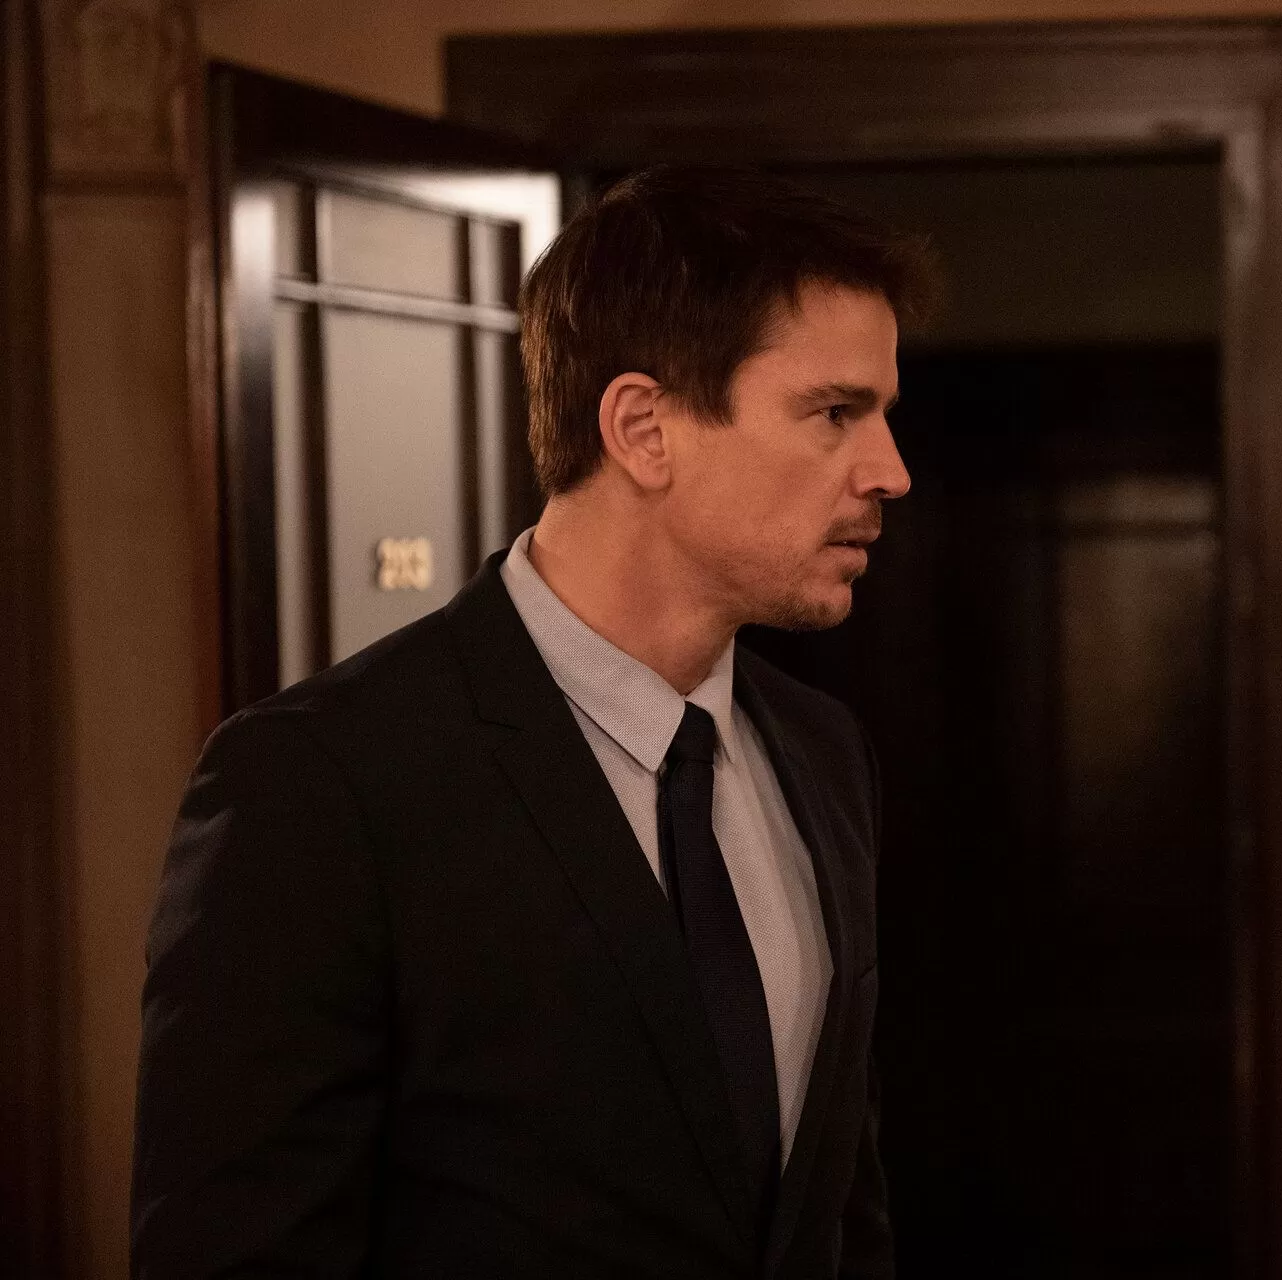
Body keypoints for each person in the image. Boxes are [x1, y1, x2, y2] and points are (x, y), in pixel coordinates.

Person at [131, 165, 936, 1279]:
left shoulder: (820, 749)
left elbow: (839, 1207)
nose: (891, 471)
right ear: (643, 428)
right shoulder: (320, 781)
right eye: (836, 413)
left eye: (882, 414)